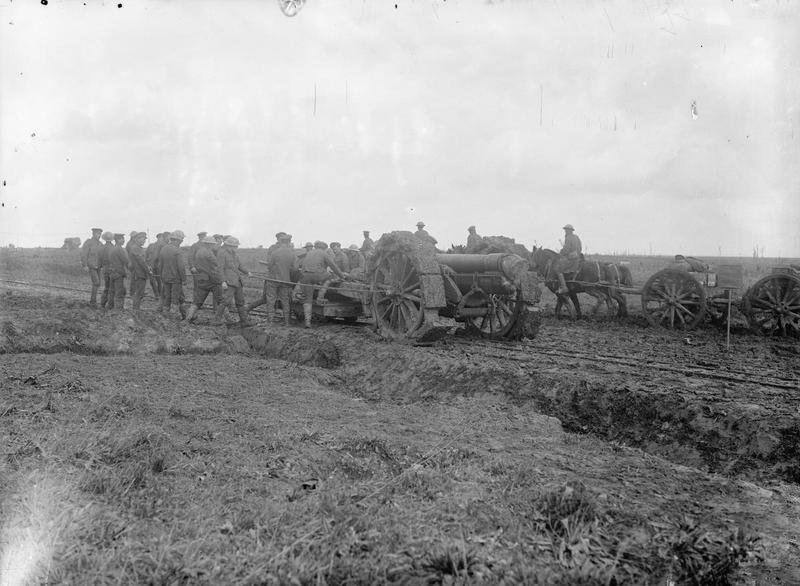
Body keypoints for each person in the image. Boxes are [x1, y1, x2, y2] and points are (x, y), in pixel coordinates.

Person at [247, 234, 298, 325]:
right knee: (285, 300)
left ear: (281, 242)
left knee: (271, 300)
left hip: (273, 279)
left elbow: (270, 266)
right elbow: (295, 269)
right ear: (289, 242)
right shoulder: (293, 254)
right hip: (285, 280)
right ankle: (287, 322)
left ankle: (270, 321)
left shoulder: (275, 252)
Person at [298, 241, 348, 327]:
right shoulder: (323, 253)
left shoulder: (309, 253)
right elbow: (333, 266)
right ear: (324, 248)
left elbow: (301, 265)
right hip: (317, 274)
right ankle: (320, 298)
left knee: (308, 299)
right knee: (329, 277)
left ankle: (307, 322)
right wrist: (341, 276)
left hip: (305, 276)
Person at [186, 236, 225, 324]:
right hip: (212, 280)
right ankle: (224, 320)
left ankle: (188, 318)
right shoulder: (209, 253)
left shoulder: (199, 251)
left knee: (197, 302)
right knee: (221, 300)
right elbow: (216, 265)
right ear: (210, 244)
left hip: (202, 279)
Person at [218, 236, 253, 326]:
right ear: (228, 245)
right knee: (225, 301)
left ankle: (244, 321)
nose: (236, 248)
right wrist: (223, 281)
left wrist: (247, 272)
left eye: (236, 246)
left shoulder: (235, 255)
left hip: (237, 282)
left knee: (240, 302)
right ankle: (216, 320)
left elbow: (240, 266)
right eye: (235, 246)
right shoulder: (222, 253)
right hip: (229, 282)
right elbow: (220, 269)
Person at [158, 230, 187, 319]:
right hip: (175, 279)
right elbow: (181, 267)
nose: (181, 242)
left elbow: (160, 265)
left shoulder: (163, 249)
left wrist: (161, 276)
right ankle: (175, 315)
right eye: (181, 240)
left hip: (165, 277)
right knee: (175, 297)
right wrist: (184, 279)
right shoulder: (177, 251)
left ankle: (165, 313)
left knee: (167, 296)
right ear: (178, 240)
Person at [80, 227, 104, 307]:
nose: (99, 235)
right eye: (97, 234)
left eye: (100, 234)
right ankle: (92, 301)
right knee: (96, 282)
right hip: (91, 265)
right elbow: (84, 254)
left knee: (98, 283)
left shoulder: (100, 244)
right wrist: (85, 265)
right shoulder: (88, 242)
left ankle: (93, 300)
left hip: (98, 266)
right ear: (93, 234)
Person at [556, 224, 582, 294]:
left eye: (566, 230)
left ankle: (564, 287)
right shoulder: (576, 237)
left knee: (559, 270)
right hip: (578, 258)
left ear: (569, 231)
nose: (565, 231)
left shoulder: (568, 238)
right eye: (565, 230)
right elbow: (580, 248)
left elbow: (566, 249)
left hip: (571, 259)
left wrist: (561, 252)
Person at [107, 233, 129, 310]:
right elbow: (126, 261)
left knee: (112, 291)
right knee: (120, 291)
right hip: (119, 273)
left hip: (112, 272)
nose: (124, 240)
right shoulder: (120, 249)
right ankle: (119, 309)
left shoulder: (112, 248)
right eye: (122, 239)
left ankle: (110, 306)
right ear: (118, 240)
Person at [128, 232, 150, 310]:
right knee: (138, 293)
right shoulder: (135, 248)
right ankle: (136, 311)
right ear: (138, 239)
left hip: (141, 273)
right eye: (143, 239)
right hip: (138, 273)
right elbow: (141, 261)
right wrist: (148, 270)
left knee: (140, 293)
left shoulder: (139, 248)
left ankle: (136, 309)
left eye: (144, 239)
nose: (144, 241)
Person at [145, 232, 166, 298]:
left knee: (159, 281)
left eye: (162, 238)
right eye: (159, 237)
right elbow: (146, 254)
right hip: (150, 266)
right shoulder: (151, 245)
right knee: (152, 281)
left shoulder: (164, 246)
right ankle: (156, 294)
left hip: (158, 266)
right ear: (157, 238)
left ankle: (160, 294)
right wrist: (146, 263)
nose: (161, 239)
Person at [98, 231, 115, 308]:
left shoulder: (102, 248)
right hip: (112, 268)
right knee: (112, 287)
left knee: (107, 286)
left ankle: (103, 303)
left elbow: (100, 260)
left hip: (105, 268)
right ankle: (110, 304)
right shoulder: (113, 248)